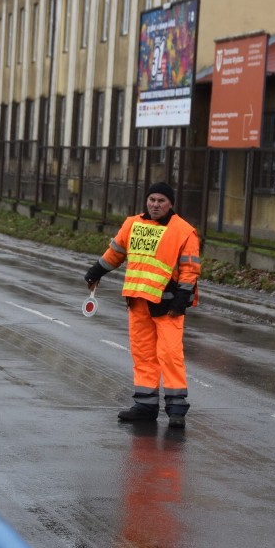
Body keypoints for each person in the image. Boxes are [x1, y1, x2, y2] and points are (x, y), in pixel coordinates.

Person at [84, 182, 201, 428]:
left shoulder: (184, 231)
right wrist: (96, 272)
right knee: (143, 354)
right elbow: (115, 252)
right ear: (146, 201)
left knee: (170, 355)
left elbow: (190, 269)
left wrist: (181, 300)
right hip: (138, 302)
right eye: (152, 200)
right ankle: (145, 405)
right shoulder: (132, 224)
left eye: (161, 201)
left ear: (171, 204)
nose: (155, 204)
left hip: (167, 304)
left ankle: (176, 408)